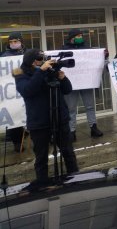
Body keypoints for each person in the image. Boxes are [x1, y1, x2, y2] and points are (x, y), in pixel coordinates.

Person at [13, 49, 78, 183]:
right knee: (41, 157)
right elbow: (28, 90)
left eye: (41, 59)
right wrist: (41, 72)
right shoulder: (21, 74)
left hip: (60, 118)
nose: (40, 62)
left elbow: (67, 90)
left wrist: (63, 78)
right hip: (39, 122)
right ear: (30, 61)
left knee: (68, 152)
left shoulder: (49, 70)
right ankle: (43, 186)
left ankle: (75, 180)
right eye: (38, 59)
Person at [62, 29, 103, 140]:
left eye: (81, 35)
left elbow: (95, 60)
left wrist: (103, 56)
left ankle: (93, 127)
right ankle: (72, 131)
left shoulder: (87, 49)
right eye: (78, 35)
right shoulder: (64, 50)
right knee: (71, 109)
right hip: (71, 84)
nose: (81, 37)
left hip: (86, 82)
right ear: (72, 38)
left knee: (89, 106)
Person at [1, 32, 27, 152]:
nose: (13, 44)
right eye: (11, 42)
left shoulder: (27, 54)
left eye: (15, 41)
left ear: (21, 41)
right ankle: (17, 143)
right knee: (15, 116)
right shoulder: (4, 56)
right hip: (12, 92)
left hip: (26, 88)